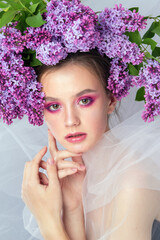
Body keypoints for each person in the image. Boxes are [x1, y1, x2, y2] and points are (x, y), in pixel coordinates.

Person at [0, 1, 160, 240]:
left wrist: (49, 221)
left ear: (111, 98)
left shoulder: (133, 181)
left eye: (84, 100)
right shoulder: (77, 180)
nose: (70, 120)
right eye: (54, 106)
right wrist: (73, 206)